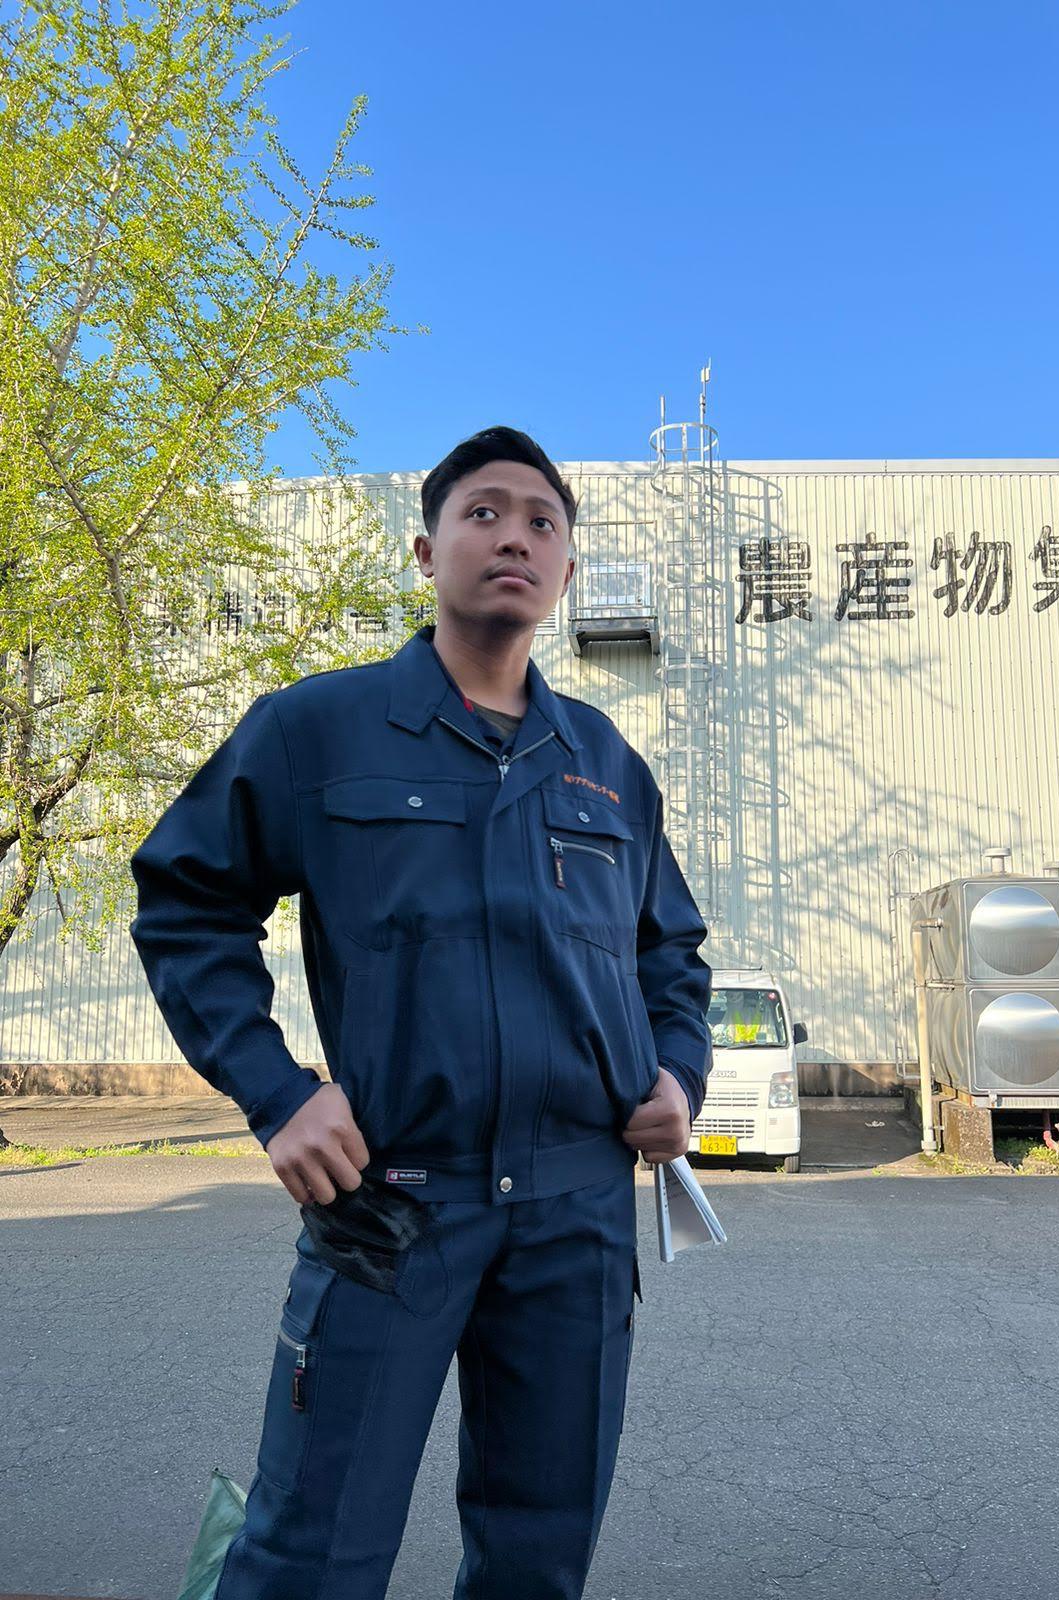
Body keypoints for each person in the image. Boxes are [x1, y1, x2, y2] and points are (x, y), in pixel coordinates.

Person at [129, 424, 713, 1600]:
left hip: (576, 1213)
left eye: (542, 522)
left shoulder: (606, 765)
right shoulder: (317, 731)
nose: (514, 537)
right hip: (392, 1202)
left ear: (566, 568)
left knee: (539, 1552)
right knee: (313, 1549)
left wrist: (677, 1072)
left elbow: (671, 951)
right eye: (482, 512)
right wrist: (279, 1093)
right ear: (426, 549)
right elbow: (187, 902)